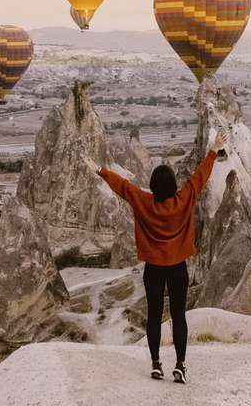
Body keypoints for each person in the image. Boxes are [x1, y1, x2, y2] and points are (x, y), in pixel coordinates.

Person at [83, 128, 227, 384]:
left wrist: (99, 170)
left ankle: (156, 364)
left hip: (154, 269)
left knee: (154, 315)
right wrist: (214, 150)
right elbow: (199, 178)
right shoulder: (183, 200)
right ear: (173, 185)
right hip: (178, 268)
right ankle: (180, 366)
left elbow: (123, 187)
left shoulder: (144, 202)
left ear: (153, 186)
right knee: (179, 315)